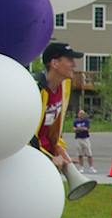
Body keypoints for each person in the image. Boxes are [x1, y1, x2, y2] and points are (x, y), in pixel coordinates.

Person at [33, 44, 95, 200]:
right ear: (54, 64)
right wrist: (47, 157)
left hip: (50, 156)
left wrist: (59, 148)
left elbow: (54, 126)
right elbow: (24, 132)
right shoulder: (35, 89)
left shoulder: (65, 86)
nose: (74, 65)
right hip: (32, 157)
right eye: (69, 60)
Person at [72, 107, 95, 172]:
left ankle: (91, 167)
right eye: (80, 114)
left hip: (85, 139)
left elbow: (86, 129)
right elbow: (74, 129)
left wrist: (79, 128)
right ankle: (81, 167)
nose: (81, 115)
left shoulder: (86, 121)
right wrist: (80, 129)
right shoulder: (76, 121)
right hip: (78, 139)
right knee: (80, 154)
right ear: (78, 114)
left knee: (89, 154)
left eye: (82, 114)